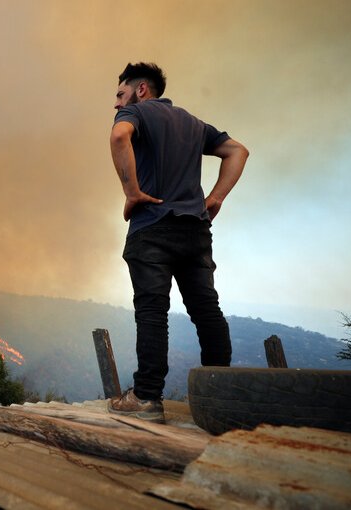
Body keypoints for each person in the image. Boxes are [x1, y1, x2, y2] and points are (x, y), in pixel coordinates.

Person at [106, 62, 249, 423]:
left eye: (120, 94)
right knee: (206, 310)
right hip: (195, 232)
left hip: (152, 227)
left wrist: (132, 192)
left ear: (141, 90)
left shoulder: (135, 113)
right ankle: (220, 397)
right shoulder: (194, 124)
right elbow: (238, 151)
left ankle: (147, 399)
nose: (117, 104)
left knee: (152, 311)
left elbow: (119, 136)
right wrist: (215, 199)